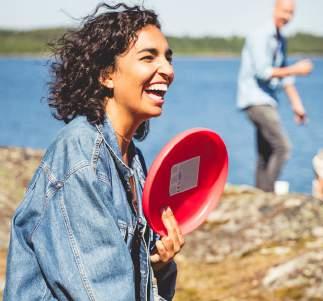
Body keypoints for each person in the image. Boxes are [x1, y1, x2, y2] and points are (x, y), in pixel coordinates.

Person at [4, 3, 184, 300]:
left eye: (168, 58)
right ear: (106, 75)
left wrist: (159, 266)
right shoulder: (81, 156)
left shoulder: (133, 162)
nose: (167, 70)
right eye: (148, 57)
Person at [237, 0, 313, 192]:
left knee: (265, 153)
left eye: (291, 13)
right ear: (275, 9)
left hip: (268, 101)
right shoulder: (260, 36)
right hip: (256, 101)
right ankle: (267, 193)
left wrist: (297, 105)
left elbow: (286, 79)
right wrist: (297, 69)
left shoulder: (281, 40)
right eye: (285, 11)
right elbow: (264, 72)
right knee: (283, 148)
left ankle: (259, 194)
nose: (287, 16)